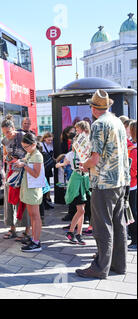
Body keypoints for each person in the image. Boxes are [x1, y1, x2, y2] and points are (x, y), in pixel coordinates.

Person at [76, 89, 130, 279]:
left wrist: (84, 166)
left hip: (104, 182)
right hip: (121, 180)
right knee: (119, 223)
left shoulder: (99, 125)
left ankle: (100, 267)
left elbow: (95, 158)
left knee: (102, 226)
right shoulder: (117, 121)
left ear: (93, 107)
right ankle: (119, 265)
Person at [56, 121, 91, 245]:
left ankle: (79, 234)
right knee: (81, 210)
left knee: (82, 209)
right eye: (77, 143)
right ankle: (71, 232)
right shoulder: (71, 154)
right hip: (76, 182)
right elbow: (64, 163)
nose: (78, 145)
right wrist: (58, 164)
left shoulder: (86, 154)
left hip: (84, 182)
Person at [1, 115, 31, 241]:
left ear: (14, 128)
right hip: (10, 171)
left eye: (8, 132)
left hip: (24, 171)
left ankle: (27, 230)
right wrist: (7, 159)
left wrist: (18, 160)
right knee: (9, 201)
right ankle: (12, 228)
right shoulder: (4, 141)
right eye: (4, 133)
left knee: (23, 200)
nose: (7, 135)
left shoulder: (23, 137)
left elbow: (31, 154)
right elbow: (5, 154)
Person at [14, 132, 45, 252]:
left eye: (26, 146)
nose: (25, 149)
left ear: (33, 144)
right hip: (29, 188)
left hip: (33, 189)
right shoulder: (30, 153)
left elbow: (36, 174)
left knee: (35, 216)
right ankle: (34, 238)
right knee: (32, 216)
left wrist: (23, 165)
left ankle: (36, 242)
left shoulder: (37, 155)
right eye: (23, 147)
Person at [127, 120, 137, 251]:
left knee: (133, 212)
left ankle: (135, 239)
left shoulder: (133, 149)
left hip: (132, 183)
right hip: (133, 183)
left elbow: (132, 170)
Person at [41, 132, 55, 209]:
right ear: (44, 138)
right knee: (44, 183)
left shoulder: (51, 145)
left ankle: (46, 200)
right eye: (48, 140)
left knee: (47, 183)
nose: (50, 141)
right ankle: (44, 201)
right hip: (44, 166)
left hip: (47, 167)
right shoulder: (41, 145)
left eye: (51, 140)